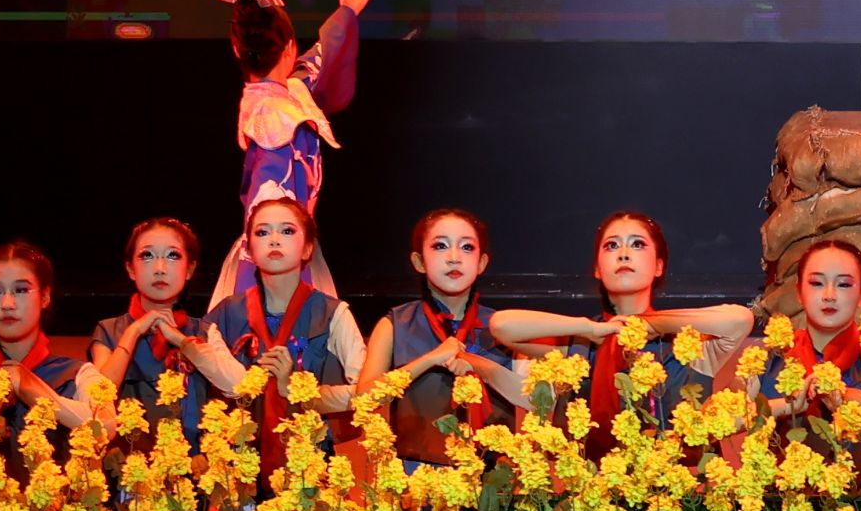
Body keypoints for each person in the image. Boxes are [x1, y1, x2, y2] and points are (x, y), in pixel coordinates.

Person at [490, 211, 753, 451]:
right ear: (597, 268)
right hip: (593, 484)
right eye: (612, 245)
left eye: (637, 244)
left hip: (678, 485)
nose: (624, 254)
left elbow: (739, 319)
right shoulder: (579, 343)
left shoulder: (689, 342)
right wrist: (589, 328)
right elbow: (502, 326)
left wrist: (650, 324)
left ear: (659, 265)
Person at [213, 0, 383, 301]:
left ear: (236, 49)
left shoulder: (285, 95)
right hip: (277, 260)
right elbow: (268, 214)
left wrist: (347, 10)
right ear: (290, 47)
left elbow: (318, 59)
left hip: (287, 247)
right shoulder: (273, 122)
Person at [356, 208, 531, 469]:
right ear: (419, 261)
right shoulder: (395, 324)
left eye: (467, 247)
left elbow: (530, 399)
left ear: (482, 263)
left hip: (492, 477)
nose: (454, 258)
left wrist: (478, 364)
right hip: (416, 477)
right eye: (440, 246)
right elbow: (363, 398)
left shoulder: (504, 327)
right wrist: (429, 359)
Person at [183, 194, 364, 446]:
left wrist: (302, 393)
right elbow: (195, 384)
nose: (274, 240)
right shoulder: (225, 314)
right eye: (262, 232)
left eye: (287, 231)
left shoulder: (332, 314)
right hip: (237, 458)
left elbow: (366, 391)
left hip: (309, 457)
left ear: (308, 248)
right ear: (248, 250)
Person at [718, 241, 861, 431]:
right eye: (816, 283)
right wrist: (788, 406)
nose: (829, 295)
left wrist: (848, 398)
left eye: (843, 285)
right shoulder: (768, 360)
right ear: (799, 292)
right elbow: (713, 419)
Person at [0, 242, 96, 454]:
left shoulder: (76, 375)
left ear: (45, 297)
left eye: (21, 290)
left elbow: (105, 426)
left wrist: (33, 391)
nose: (7, 303)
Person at [88, 217, 209, 444]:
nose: (159, 269)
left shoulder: (204, 332)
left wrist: (179, 339)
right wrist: (133, 332)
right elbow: (99, 396)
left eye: (172, 256)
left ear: (190, 268)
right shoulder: (109, 330)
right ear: (130, 269)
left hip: (195, 460)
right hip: (127, 460)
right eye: (147, 256)